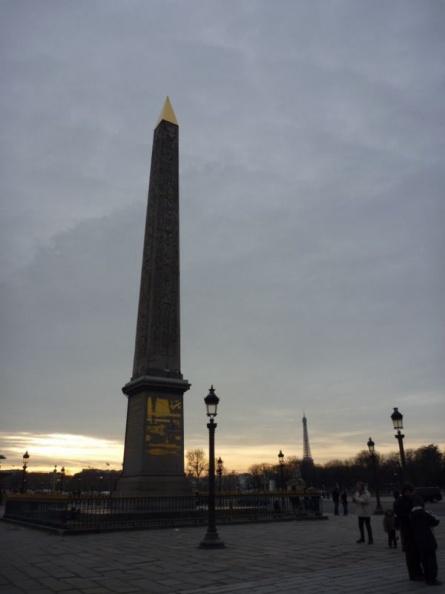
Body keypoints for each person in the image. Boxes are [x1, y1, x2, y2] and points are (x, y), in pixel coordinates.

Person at [393, 483, 423, 582]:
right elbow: (401, 515)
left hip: (411, 529)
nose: (411, 494)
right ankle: (414, 574)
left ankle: (417, 572)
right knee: (411, 553)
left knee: (415, 553)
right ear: (406, 492)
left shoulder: (405, 500)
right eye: (410, 492)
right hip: (407, 529)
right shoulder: (401, 502)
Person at [410, 495, 441, 586]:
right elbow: (436, 521)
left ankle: (427, 577)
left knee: (424, 560)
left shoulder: (411, 514)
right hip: (428, 538)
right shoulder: (425, 513)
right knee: (431, 559)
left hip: (418, 539)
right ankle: (432, 578)